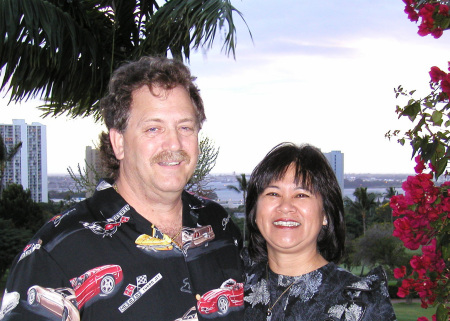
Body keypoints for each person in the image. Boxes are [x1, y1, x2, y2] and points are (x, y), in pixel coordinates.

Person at [1, 56, 244, 320]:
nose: (174, 144)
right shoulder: (55, 252)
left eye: (185, 127)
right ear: (119, 142)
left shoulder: (219, 224)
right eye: (153, 129)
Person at [243, 143, 396, 321]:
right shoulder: (234, 280)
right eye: (273, 194)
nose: (285, 207)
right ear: (255, 212)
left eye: (301, 195)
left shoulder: (359, 304)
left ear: (325, 214)